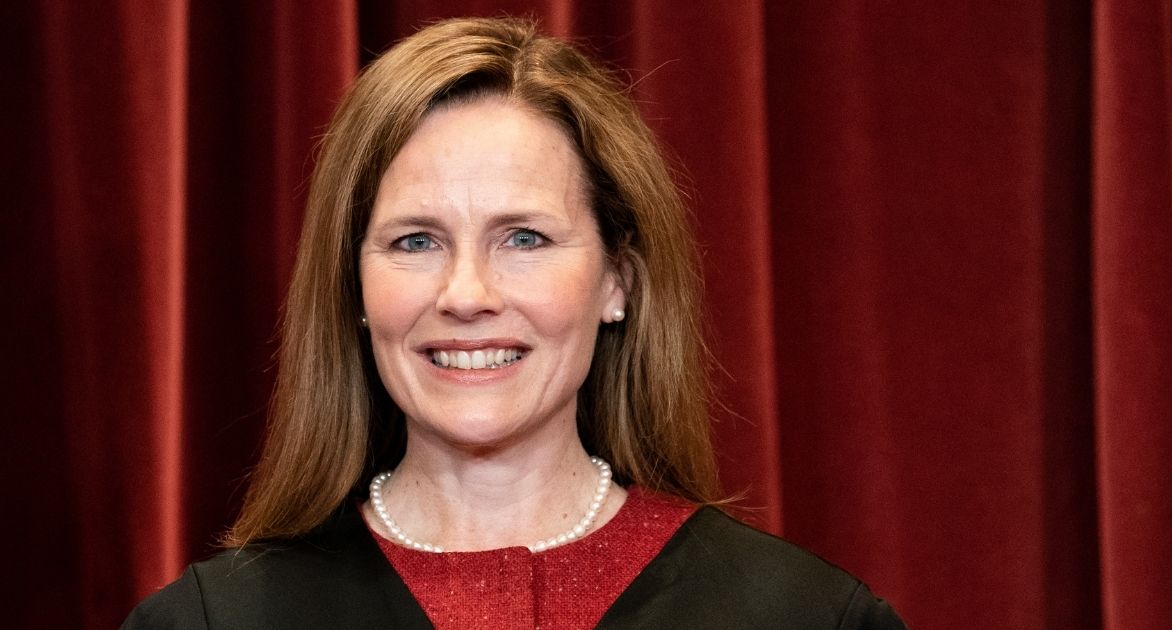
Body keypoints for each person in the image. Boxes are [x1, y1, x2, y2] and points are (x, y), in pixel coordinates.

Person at [123, 16, 906, 629]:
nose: (467, 292)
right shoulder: (211, 623)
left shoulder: (805, 618)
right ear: (354, 288)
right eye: (415, 241)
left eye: (524, 238)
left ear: (617, 282)